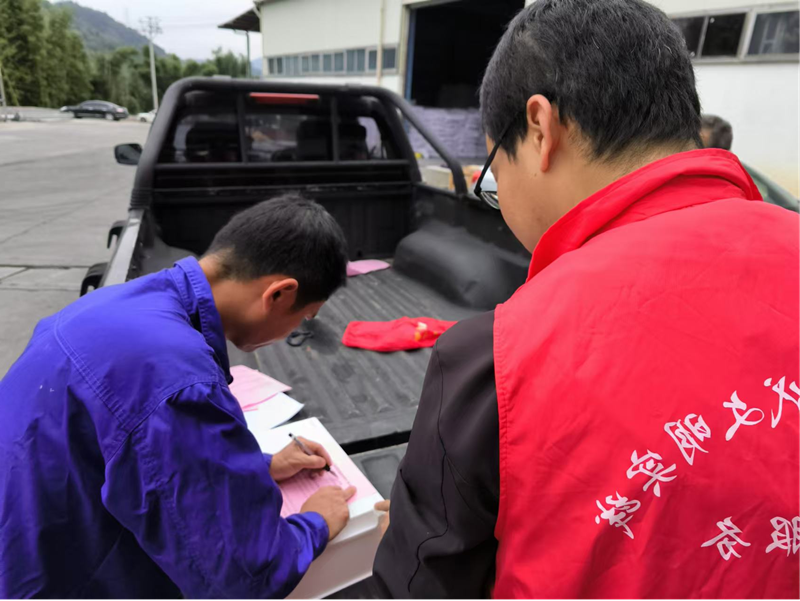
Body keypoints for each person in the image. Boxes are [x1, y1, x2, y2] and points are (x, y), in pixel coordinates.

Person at [373, 1, 800, 599]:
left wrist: (411, 541)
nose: (499, 196)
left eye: (493, 172)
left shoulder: (500, 358)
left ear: (540, 128)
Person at [0, 195, 356, 599]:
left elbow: (138, 455)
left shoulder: (121, 303)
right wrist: (314, 523)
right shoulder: (177, 378)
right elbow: (241, 577)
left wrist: (265, 465)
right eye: (304, 318)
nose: (295, 331)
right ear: (279, 294)